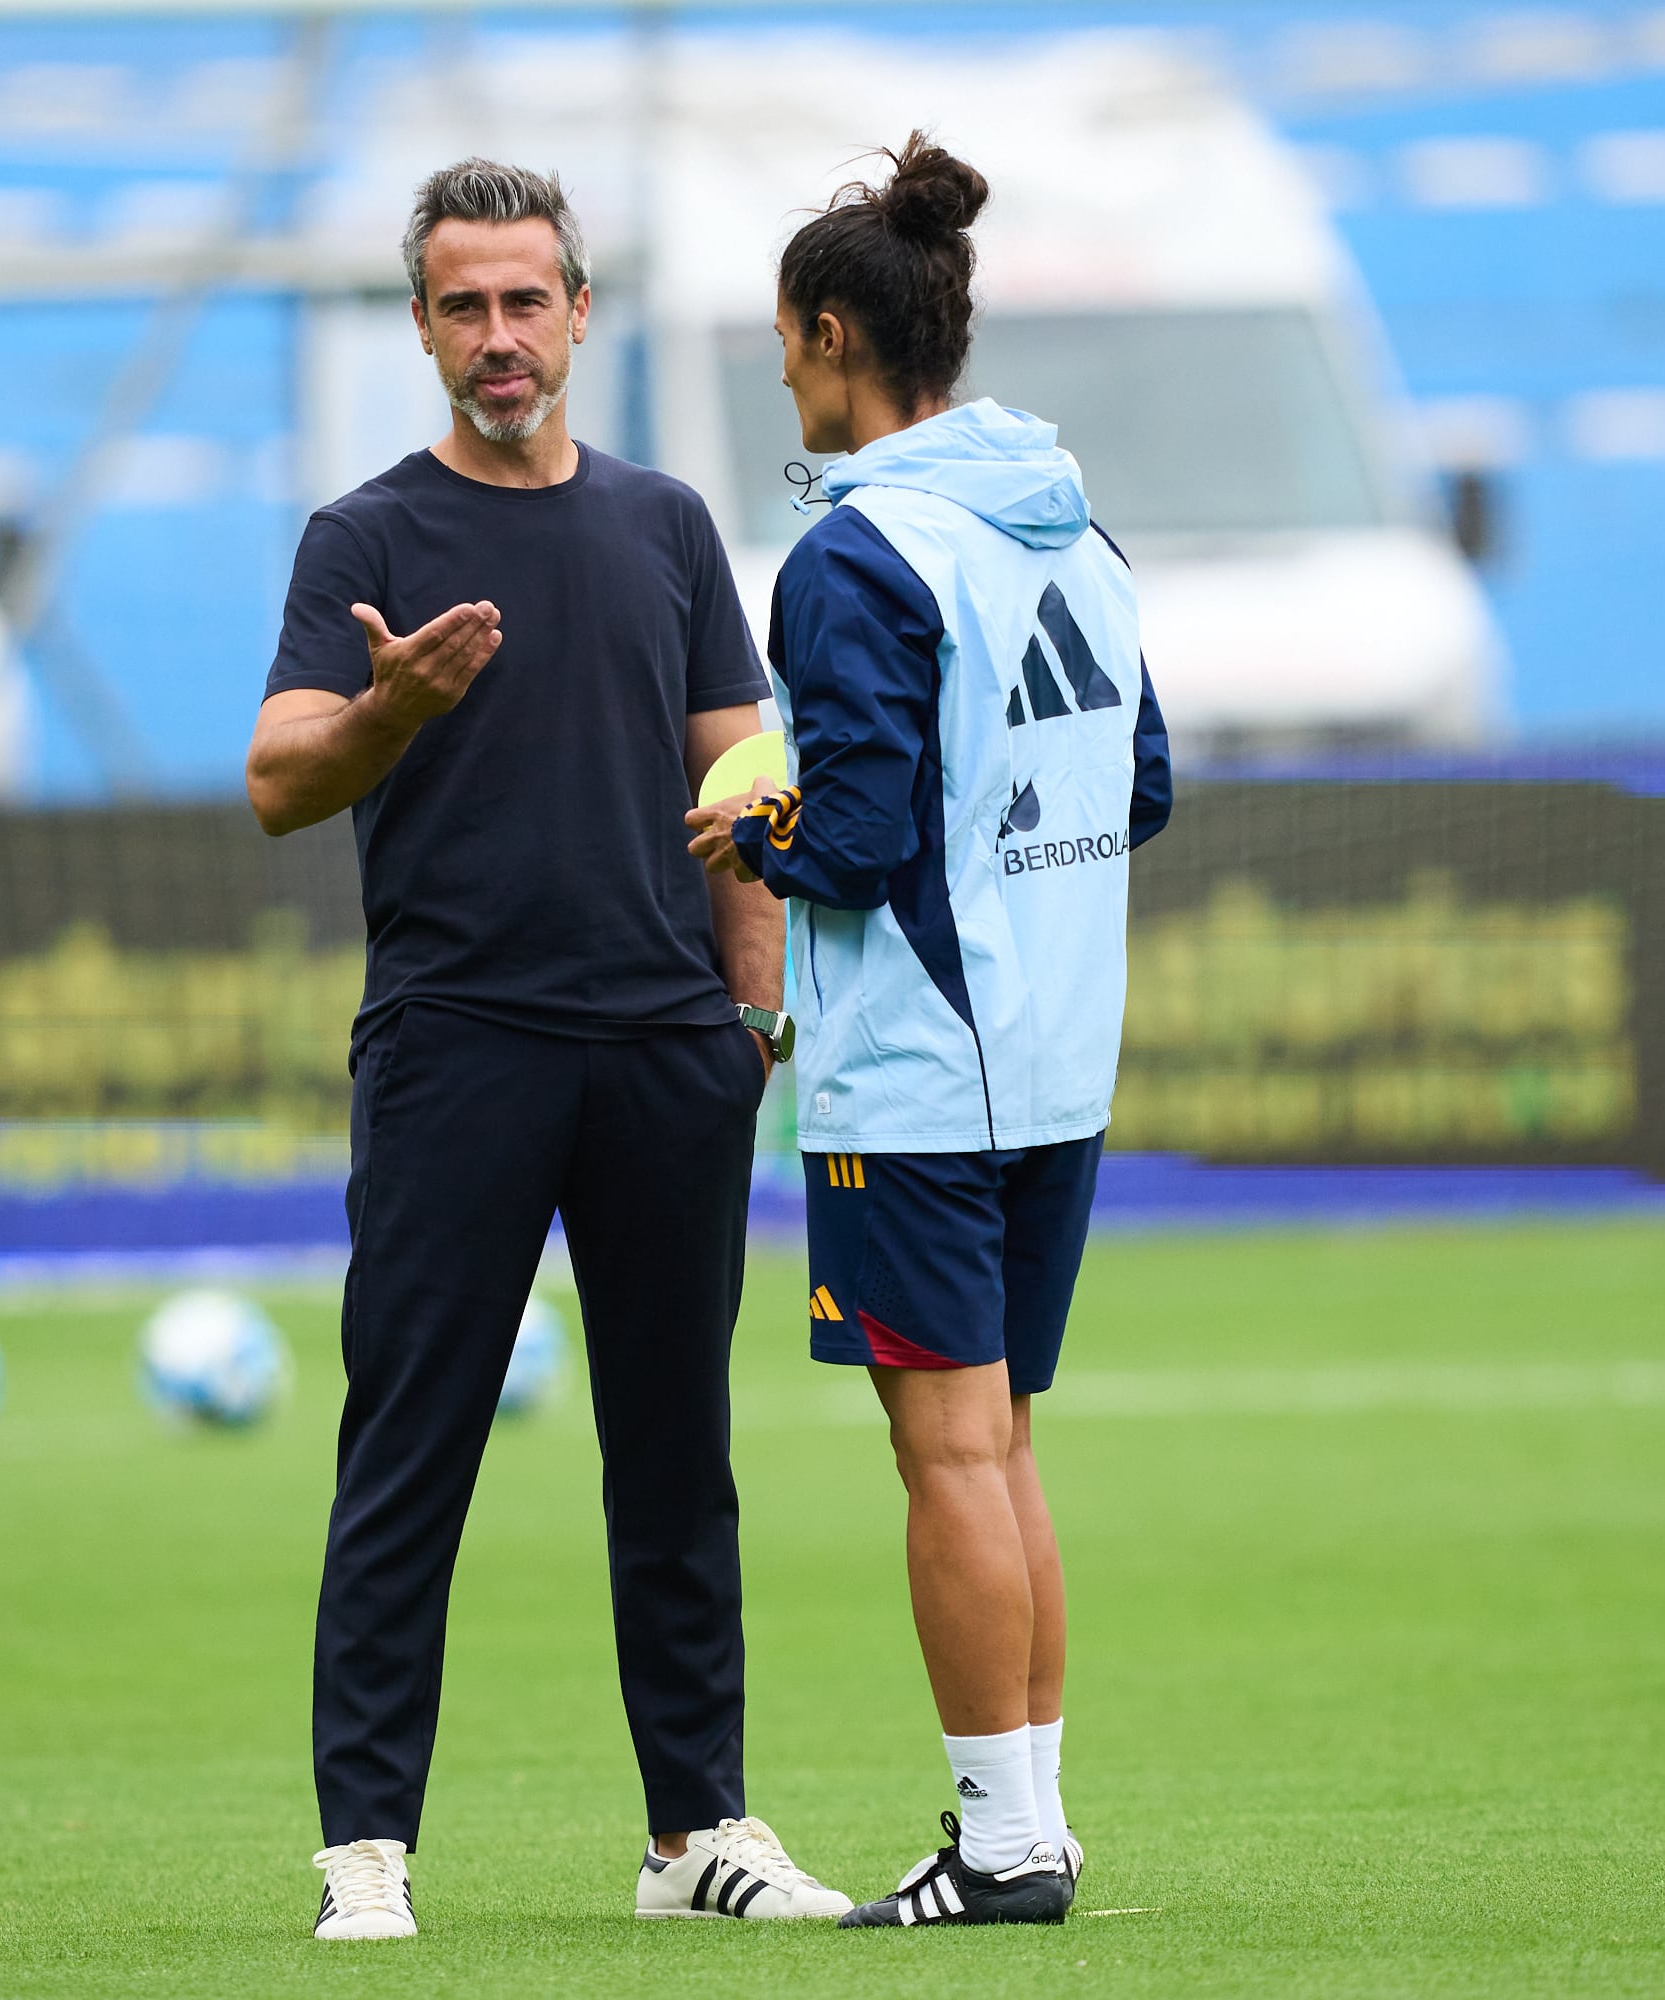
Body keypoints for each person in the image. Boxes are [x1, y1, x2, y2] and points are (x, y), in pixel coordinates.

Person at [248, 158, 851, 1942]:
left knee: (676, 1453)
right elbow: (282, 781)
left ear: (581, 314)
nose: (498, 337)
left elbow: (743, 785)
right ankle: (368, 1845)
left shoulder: (665, 524)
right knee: (410, 1446)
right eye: (462, 306)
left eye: (527, 301)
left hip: (671, 1052)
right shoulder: (362, 541)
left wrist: (751, 1022)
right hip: (459, 1048)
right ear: (423, 325)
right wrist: (394, 707)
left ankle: (696, 1836)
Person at [686, 134, 1171, 1930]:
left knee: (950, 1453)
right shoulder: (1073, 523)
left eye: (788, 347)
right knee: (1003, 1443)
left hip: (922, 1071)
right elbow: (1143, 784)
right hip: (1058, 1060)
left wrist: (755, 834)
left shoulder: (856, 554)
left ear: (829, 337)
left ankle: (1003, 1850)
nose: (787, 381)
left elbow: (868, 840)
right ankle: (1031, 1825)